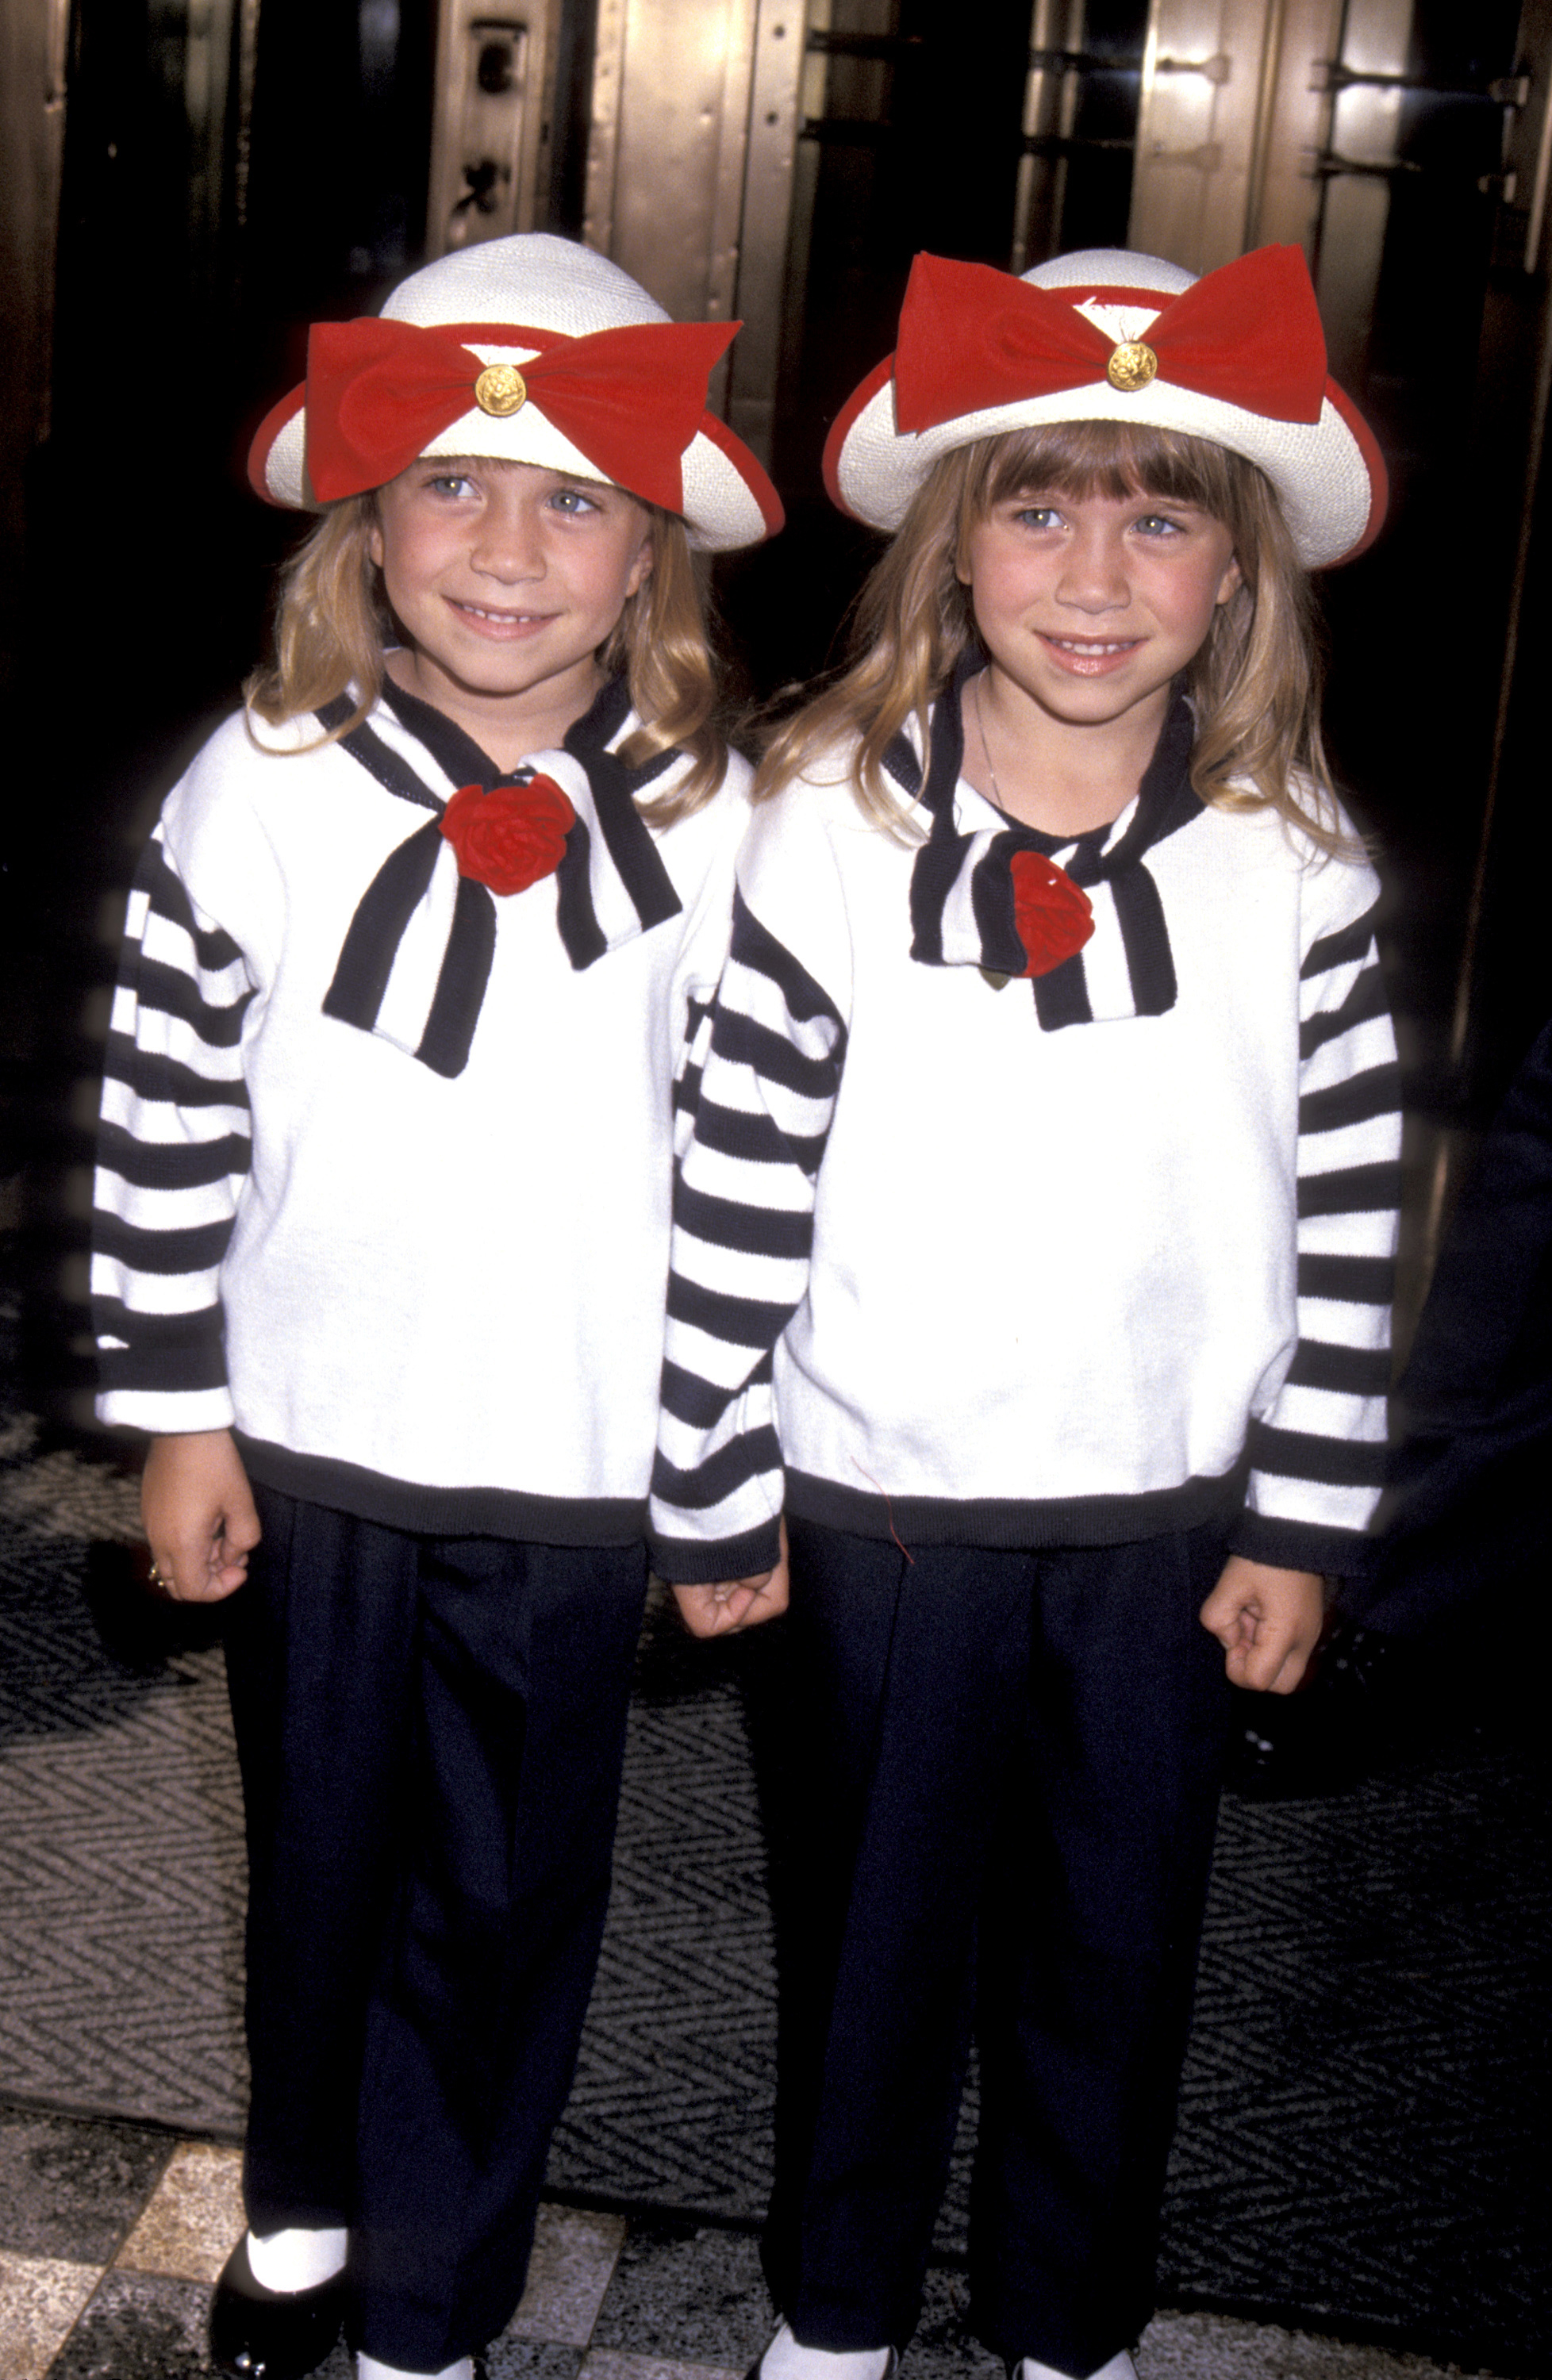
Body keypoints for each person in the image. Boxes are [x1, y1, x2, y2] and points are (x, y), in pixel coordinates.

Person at [648, 245, 1399, 2380]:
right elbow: (730, 1183)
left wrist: (1298, 1525)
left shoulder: (1297, 869)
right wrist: (707, 1476)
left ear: (1238, 578)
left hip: (1166, 1519)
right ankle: (836, 2307)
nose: (1096, 571)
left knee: (1111, 1947)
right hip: (880, 1500)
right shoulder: (813, 831)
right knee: (871, 1946)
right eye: (1041, 505)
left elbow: (1351, 1226)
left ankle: (1071, 2320)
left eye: (1161, 515)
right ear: (952, 547)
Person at [90, 232, 782, 2380]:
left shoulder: (723, 813)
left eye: (573, 497)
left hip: (573, 1455)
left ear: (647, 552)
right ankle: (301, 2207)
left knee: (502, 1902)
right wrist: (177, 1412)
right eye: (454, 489)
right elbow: (162, 1121)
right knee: (316, 1865)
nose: (506, 546)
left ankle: (436, 2296)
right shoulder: (260, 784)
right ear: (367, 524)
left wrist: (716, 1460)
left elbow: (752, 1157)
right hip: (307, 1432)